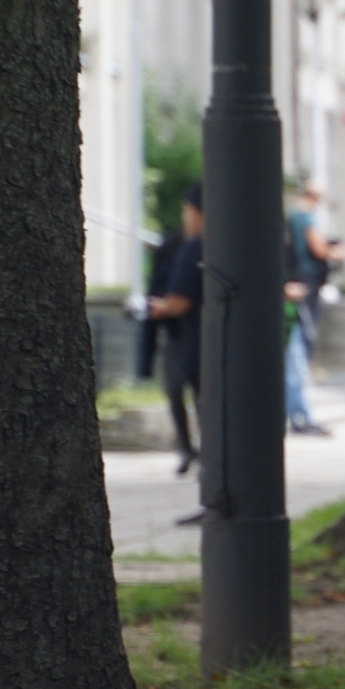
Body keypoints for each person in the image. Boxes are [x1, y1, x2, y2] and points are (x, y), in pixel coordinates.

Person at [147, 184, 203, 475]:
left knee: (194, 392)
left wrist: (159, 307)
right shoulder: (177, 244)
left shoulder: (195, 247)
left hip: (189, 334)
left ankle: (203, 455)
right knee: (183, 391)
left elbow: (179, 302)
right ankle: (191, 449)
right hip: (186, 334)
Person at [283, 183, 340, 436]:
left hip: (296, 287)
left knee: (296, 353)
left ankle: (297, 413)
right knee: (299, 350)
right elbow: (317, 247)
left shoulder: (293, 216)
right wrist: (335, 252)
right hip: (302, 287)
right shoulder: (304, 216)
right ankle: (299, 416)